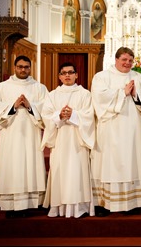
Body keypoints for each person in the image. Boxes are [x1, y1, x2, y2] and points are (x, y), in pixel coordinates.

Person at [91, 47, 141, 216]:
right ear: (116, 60)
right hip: (111, 129)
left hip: (133, 130)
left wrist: (135, 94)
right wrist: (122, 93)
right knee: (110, 163)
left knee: (133, 160)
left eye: (130, 61)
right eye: (124, 60)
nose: (127, 63)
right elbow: (99, 98)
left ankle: (134, 201)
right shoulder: (102, 77)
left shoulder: (139, 78)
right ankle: (105, 203)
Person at [0, 55, 49, 218]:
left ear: (30, 68)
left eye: (26, 67)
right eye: (20, 66)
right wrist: (13, 106)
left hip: (31, 134)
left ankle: (31, 203)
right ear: (14, 67)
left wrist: (30, 106)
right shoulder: (2, 87)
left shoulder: (39, 87)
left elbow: (47, 108)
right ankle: (11, 204)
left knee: (30, 163)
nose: (23, 70)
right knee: (12, 164)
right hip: (11, 134)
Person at [41, 62, 96, 218]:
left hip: (78, 140)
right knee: (60, 170)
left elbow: (89, 116)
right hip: (60, 140)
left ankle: (79, 207)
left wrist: (73, 115)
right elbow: (46, 115)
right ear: (59, 76)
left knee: (77, 170)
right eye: (64, 73)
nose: (67, 75)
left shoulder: (85, 94)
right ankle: (58, 207)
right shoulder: (52, 95)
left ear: (76, 75)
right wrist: (59, 115)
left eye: (70, 72)